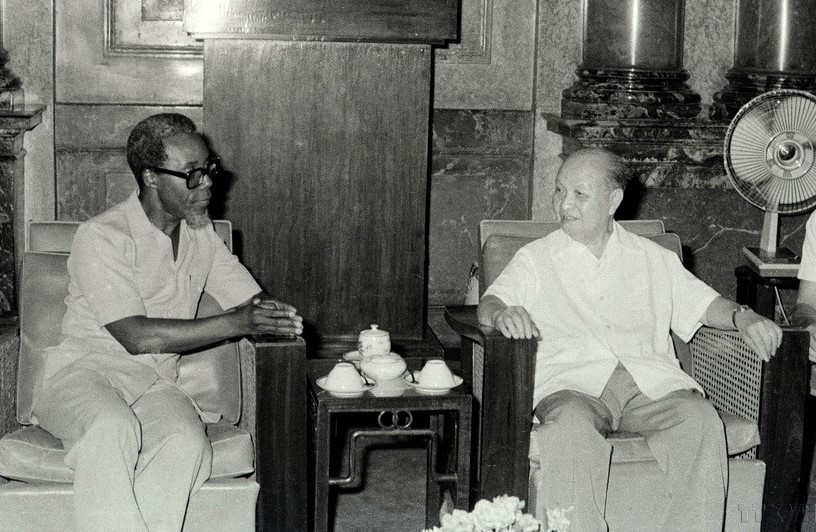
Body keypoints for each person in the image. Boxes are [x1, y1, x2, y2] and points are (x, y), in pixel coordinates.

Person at [477, 148, 782, 531]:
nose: (564, 204)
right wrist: (503, 312)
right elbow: (490, 302)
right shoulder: (536, 258)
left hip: (648, 384)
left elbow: (704, 304)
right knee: (570, 429)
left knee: (700, 420)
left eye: (579, 194)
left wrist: (744, 316)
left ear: (613, 201)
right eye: (558, 191)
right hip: (572, 386)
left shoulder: (652, 257)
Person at [30, 113, 303, 531]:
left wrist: (279, 318)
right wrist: (236, 323)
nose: (207, 183)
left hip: (155, 384)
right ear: (151, 177)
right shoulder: (102, 236)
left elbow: (251, 300)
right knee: (111, 427)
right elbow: (136, 336)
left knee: (187, 443)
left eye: (208, 169)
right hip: (81, 376)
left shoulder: (200, 235)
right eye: (191, 175)